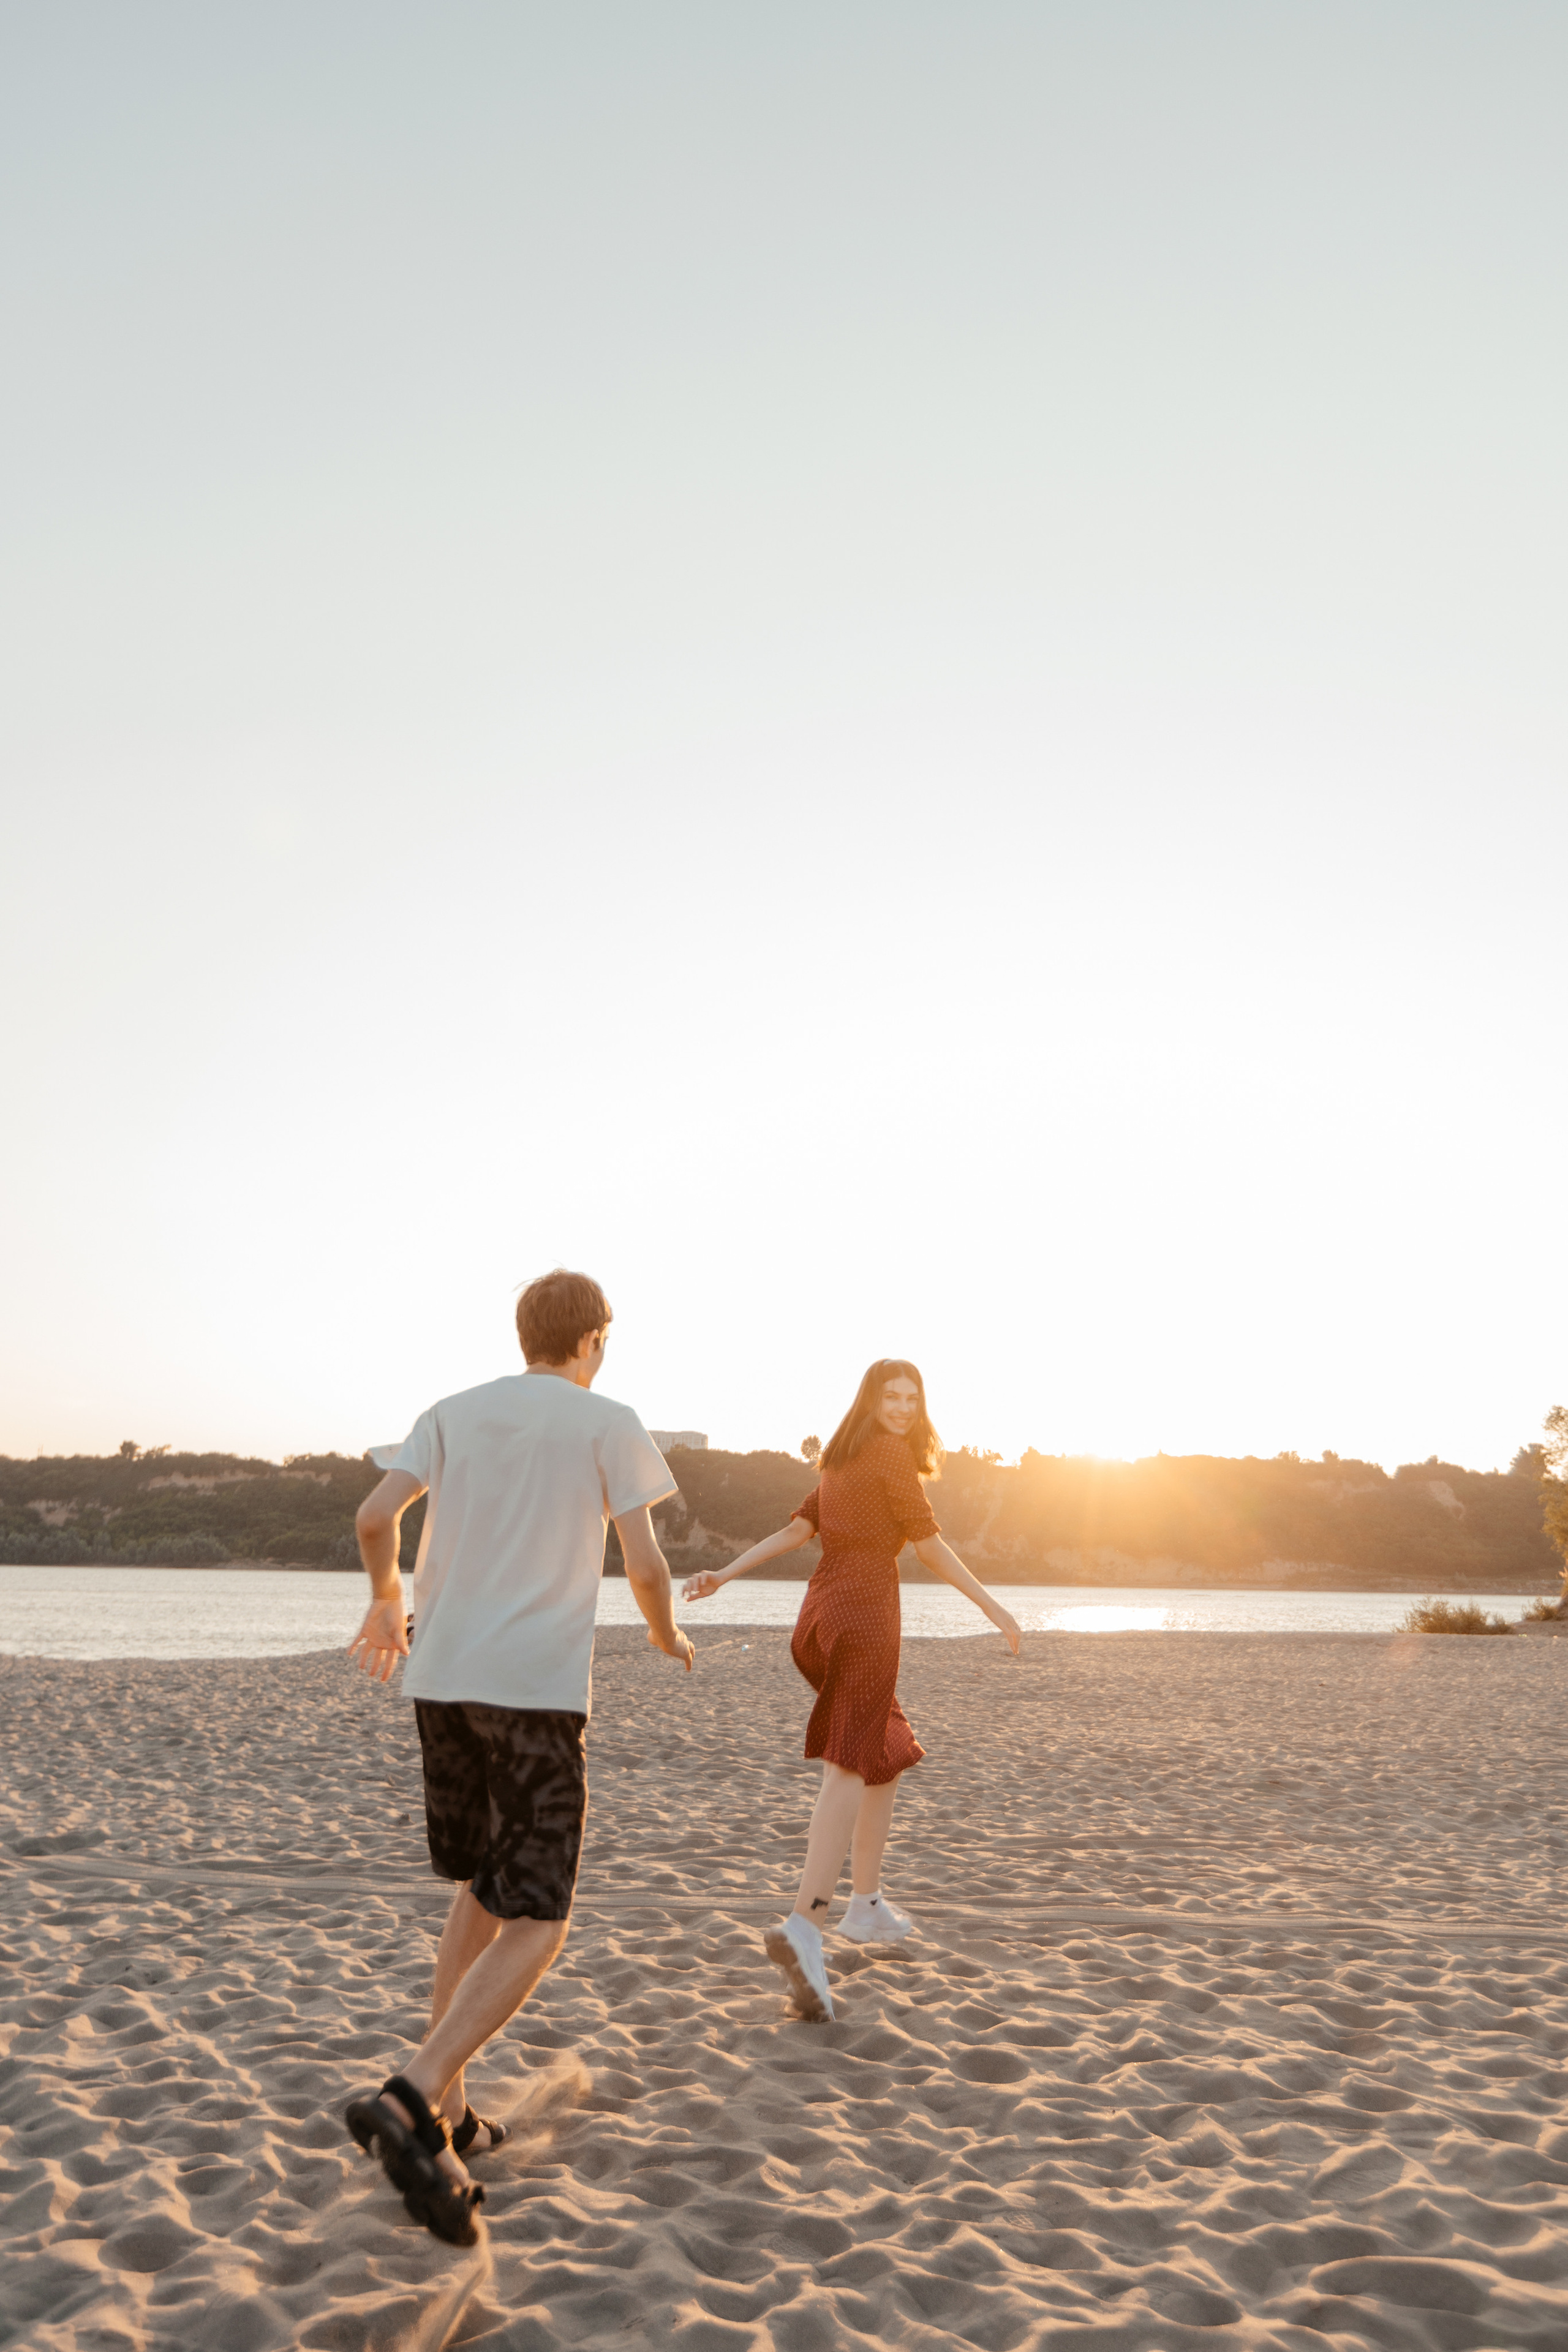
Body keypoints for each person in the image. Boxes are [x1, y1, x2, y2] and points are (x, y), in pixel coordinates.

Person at [342, 1268, 694, 2245]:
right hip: (533, 1692)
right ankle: (414, 2093)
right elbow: (646, 1564)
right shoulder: (606, 1420)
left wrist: (386, 1599)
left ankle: (450, 2112)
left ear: (524, 1334)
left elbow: (375, 1519)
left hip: (441, 1685)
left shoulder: (451, 1412)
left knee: (482, 1889)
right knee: (540, 1917)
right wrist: (665, 1634)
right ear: (593, 1340)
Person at [683, 1358, 1019, 2024]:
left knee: (884, 1747)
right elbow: (929, 1549)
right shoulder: (891, 1455)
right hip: (865, 1617)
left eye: (912, 1397)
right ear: (871, 1400)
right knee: (848, 1761)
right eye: (891, 1396)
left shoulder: (841, 1459)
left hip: (819, 1618)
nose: (903, 1407)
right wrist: (994, 1608)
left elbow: (796, 1532)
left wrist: (723, 1574)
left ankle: (865, 1904)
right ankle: (806, 1923)